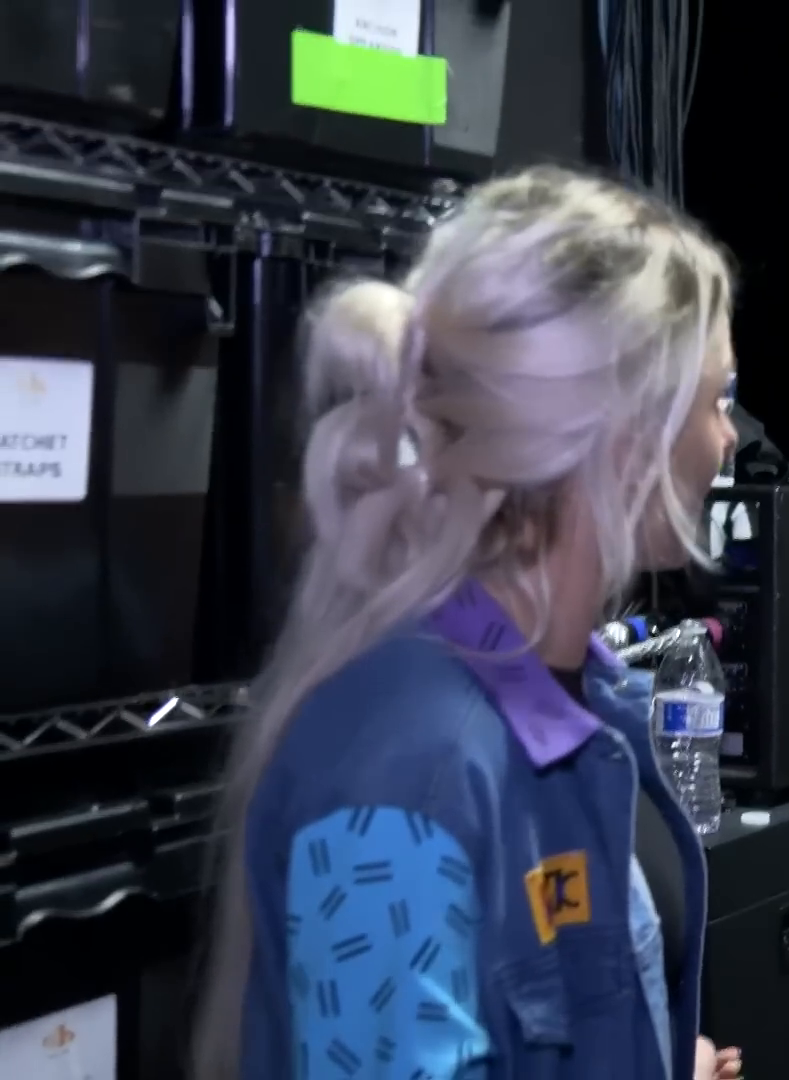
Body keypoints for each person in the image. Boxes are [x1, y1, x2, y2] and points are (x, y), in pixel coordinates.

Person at [190, 167, 746, 1080]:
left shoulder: (586, 696)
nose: (730, 439)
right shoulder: (407, 767)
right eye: (718, 399)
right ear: (628, 434)